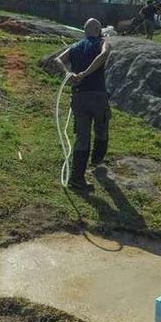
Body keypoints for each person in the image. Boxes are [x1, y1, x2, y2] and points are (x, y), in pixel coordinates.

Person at [54, 18, 111, 192]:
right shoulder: (103, 42)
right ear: (98, 29)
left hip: (79, 97)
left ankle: (77, 179)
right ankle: (97, 160)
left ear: (85, 30)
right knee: (102, 128)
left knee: (82, 136)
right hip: (97, 95)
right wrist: (86, 73)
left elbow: (58, 59)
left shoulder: (75, 47)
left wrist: (68, 73)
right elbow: (104, 55)